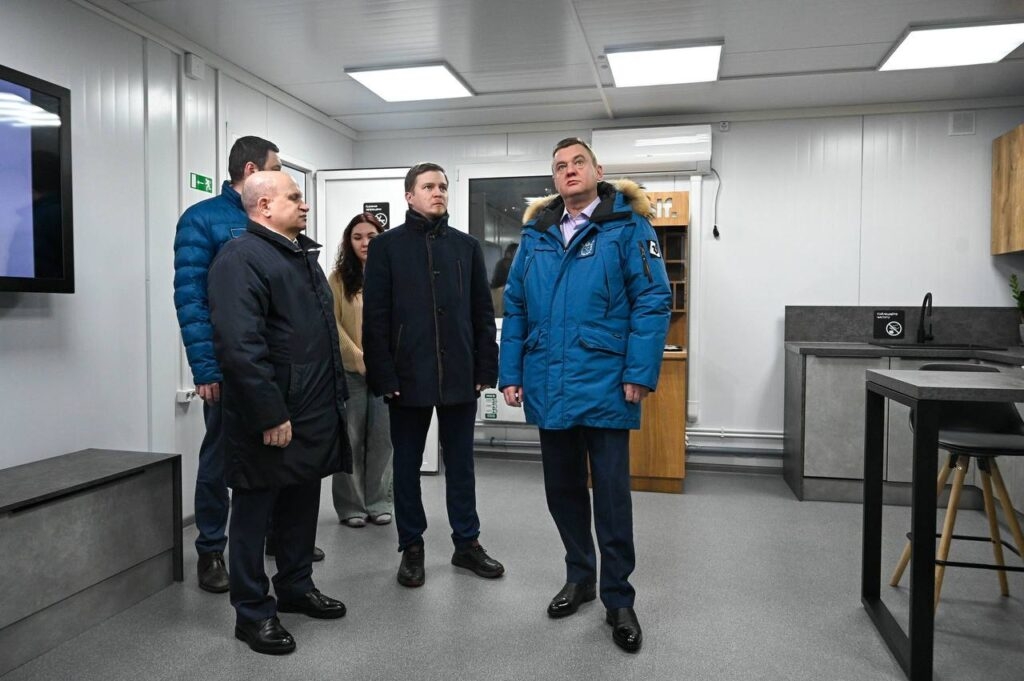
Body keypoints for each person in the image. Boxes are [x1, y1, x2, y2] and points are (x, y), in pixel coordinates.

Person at [498, 138, 671, 653]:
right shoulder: (537, 235)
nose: (569, 171)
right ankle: (580, 578)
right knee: (563, 490)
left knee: (611, 496)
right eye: (560, 166)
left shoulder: (628, 227)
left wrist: (639, 371)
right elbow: (517, 306)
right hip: (549, 381)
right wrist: (511, 372)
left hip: (606, 381)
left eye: (578, 163)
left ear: (598, 170)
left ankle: (619, 598)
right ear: (553, 179)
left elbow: (653, 300)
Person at [208, 170, 352, 655]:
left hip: (309, 408)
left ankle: (295, 586)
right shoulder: (240, 258)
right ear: (264, 206)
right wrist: (270, 413)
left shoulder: (299, 256)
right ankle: (252, 613)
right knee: (254, 511)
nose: (304, 204)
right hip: (268, 414)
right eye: (294, 197)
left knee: (300, 503)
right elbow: (239, 346)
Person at [362, 162, 503, 588]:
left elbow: (482, 312)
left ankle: (467, 543)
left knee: (461, 464)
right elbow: (376, 318)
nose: (438, 192)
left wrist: (486, 366)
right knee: (407, 466)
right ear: (410, 195)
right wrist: (384, 375)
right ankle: (412, 546)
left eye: (442, 186)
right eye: (428, 186)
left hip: (460, 372)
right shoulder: (386, 247)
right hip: (407, 375)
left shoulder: (466, 247)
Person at [329, 212, 394, 528]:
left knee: (383, 440)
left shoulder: (393, 274)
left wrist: (383, 361)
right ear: (349, 242)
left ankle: (379, 501)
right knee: (351, 440)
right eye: (357, 237)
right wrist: (359, 359)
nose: (365, 242)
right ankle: (351, 506)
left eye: (371, 236)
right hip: (350, 373)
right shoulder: (338, 279)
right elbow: (333, 325)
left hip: (386, 372)